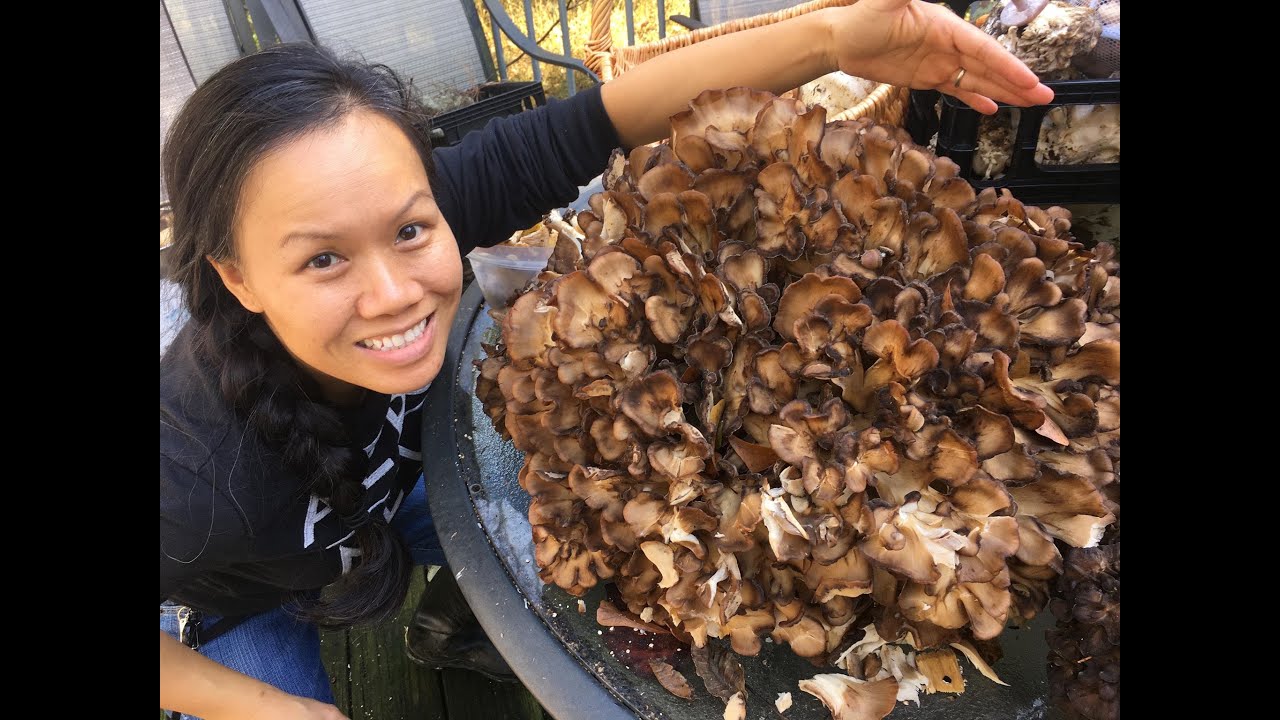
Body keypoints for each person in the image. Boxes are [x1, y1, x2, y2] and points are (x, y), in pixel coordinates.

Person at [159, 1, 1054, 718]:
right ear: (236, 278)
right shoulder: (197, 481)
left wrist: (838, 38)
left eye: (409, 230)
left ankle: (457, 625)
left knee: (585, 534)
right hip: (241, 596)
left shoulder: (412, 212)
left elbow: (600, 119)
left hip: (379, 501)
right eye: (322, 259)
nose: (393, 292)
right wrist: (267, 709)